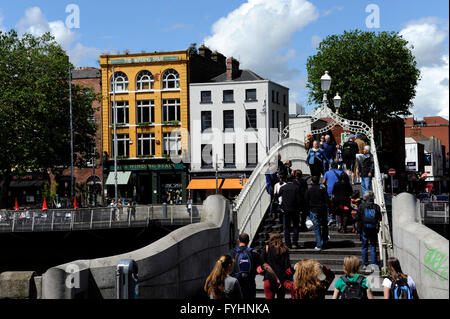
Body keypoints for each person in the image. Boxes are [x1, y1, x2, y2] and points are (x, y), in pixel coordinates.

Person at [230, 233, 279, 299]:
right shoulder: (253, 252)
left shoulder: (232, 252)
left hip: (236, 284)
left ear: (238, 240)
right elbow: (266, 266)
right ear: (248, 241)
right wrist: (276, 278)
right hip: (250, 284)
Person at [261, 232, 292, 299]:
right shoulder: (285, 250)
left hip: (269, 279)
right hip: (281, 280)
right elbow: (287, 267)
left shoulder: (266, 248)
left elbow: (262, 263)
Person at [356, 191, 382, 268]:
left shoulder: (362, 206)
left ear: (366, 197)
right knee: (373, 246)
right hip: (373, 228)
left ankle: (365, 264)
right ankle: (374, 264)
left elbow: (358, 218)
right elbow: (380, 218)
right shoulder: (377, 207)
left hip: (364, 228)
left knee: (364, 246)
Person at [305, 175, 330, 251]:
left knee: (317, 227)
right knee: (324, 225)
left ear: (311, 181)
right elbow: (327, 199)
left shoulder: (309, 190)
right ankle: (325, 240)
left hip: (314, 209)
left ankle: (319, 245)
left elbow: (306, 200)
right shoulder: (322, 189)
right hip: (323, 209)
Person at [278, 175, 302, 248]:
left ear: (285, 180)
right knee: (296, 226)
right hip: (295, 209)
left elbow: (279, 198)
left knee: (287, 227)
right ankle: (295, 242)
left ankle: (288, 244)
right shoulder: (296, 188)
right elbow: (299, 199)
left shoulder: (282, 188)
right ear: (293, 179)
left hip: (286, 209)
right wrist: (300, 209)